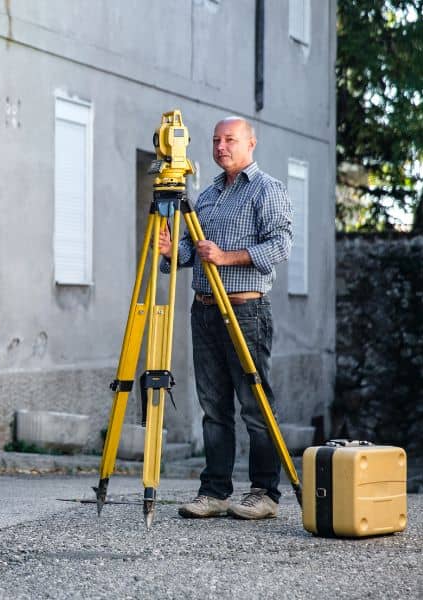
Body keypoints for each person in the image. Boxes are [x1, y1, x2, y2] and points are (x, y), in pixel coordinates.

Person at [159, 116, 293, 520]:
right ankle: (215, 491)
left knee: (254, 406)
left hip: (245, 310)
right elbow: (191, 252)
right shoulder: (209, 193)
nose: (221, 146)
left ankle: (264, 493)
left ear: (251, 143)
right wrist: (171, 253)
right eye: (216, 140)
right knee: (214, 407)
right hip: (204, 309)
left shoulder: (268, 190)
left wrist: (227, 257)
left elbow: (281, 245)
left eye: (230, 139)